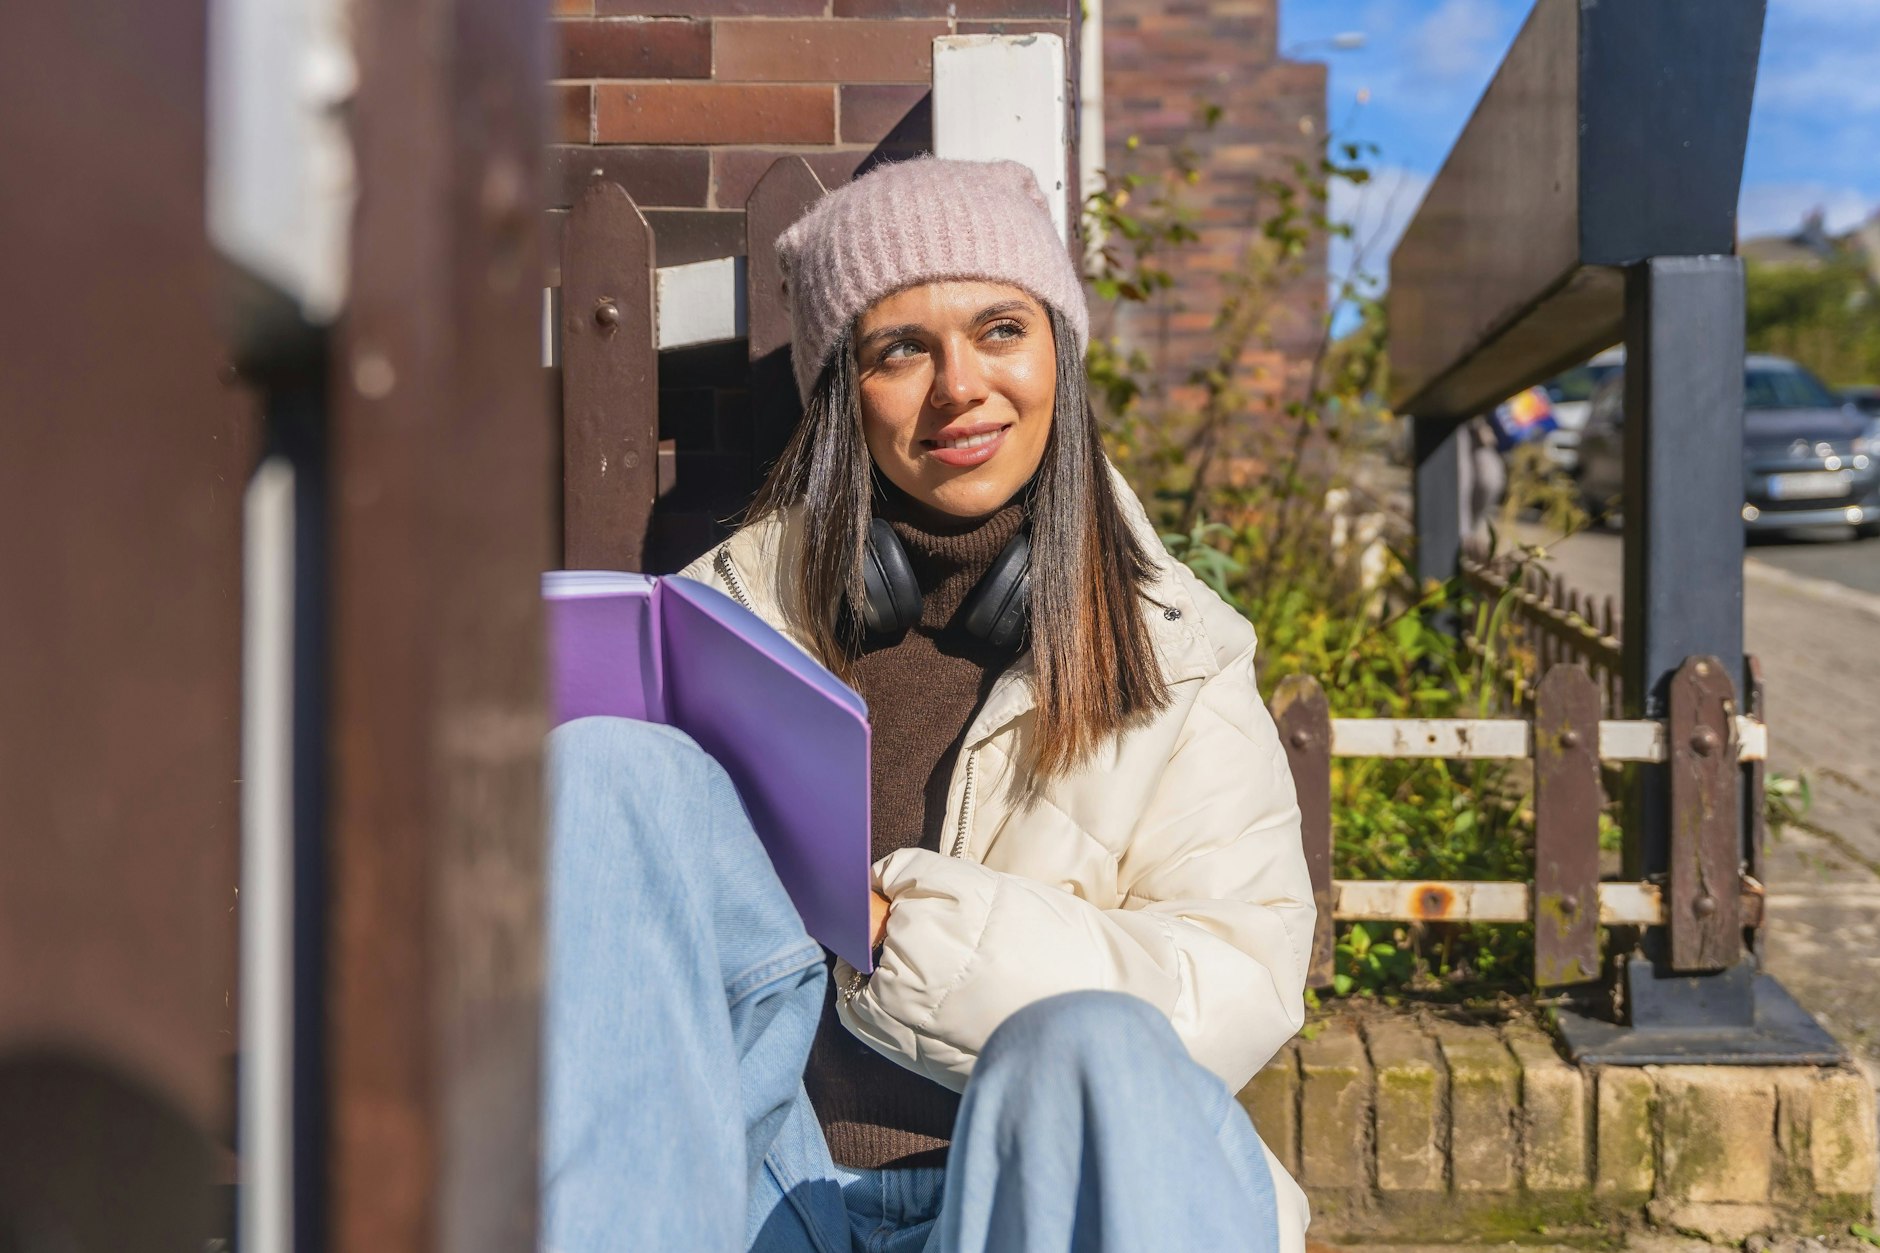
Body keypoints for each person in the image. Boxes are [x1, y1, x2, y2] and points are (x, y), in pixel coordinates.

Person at [540, 156, 1316, 1253]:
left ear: (1059, 353)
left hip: (1031, 1203)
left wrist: (901, 937)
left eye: (1000, 328)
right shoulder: (718, 618)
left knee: (1096, 1043)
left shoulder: (1178, 651)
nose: (960, 385)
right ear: (842, 395)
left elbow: (1231, 994)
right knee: (601, 773)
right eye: (901, 348)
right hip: (764, 1192)